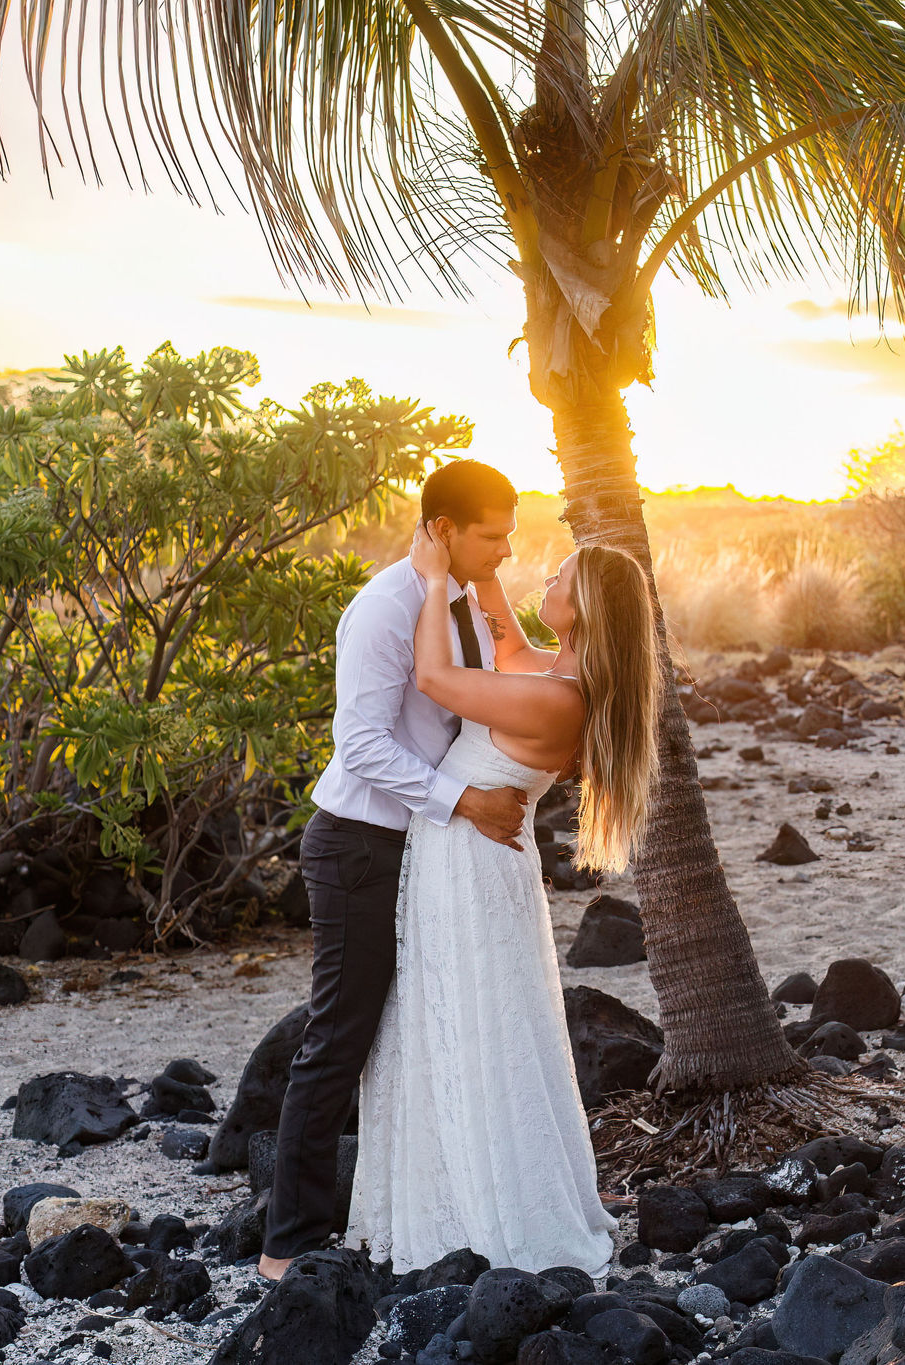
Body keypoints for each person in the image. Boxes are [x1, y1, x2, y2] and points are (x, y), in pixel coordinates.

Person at [346, 527, 662, 1274]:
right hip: (471, 864)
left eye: (559, 573)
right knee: (470, 1019)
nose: (542, 575)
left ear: (581, 606)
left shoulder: (556, 702)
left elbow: (434, 677)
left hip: (472, 870)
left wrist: (431, 579)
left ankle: (491, 1213)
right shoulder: (557, 677)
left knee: (479, 1024)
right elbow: (515, 652)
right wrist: (483, 575)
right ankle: (460, 1187)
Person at [259, 460, 533, 1281]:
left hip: (426, 854)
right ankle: (288, 1243)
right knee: (338, 1037)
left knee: (413, 1034)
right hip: (358, 847)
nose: (510, 548)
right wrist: (466, 803)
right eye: (494, 532)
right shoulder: (384, 607)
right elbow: (362, 744)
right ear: (445, 529)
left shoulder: (471, 608)